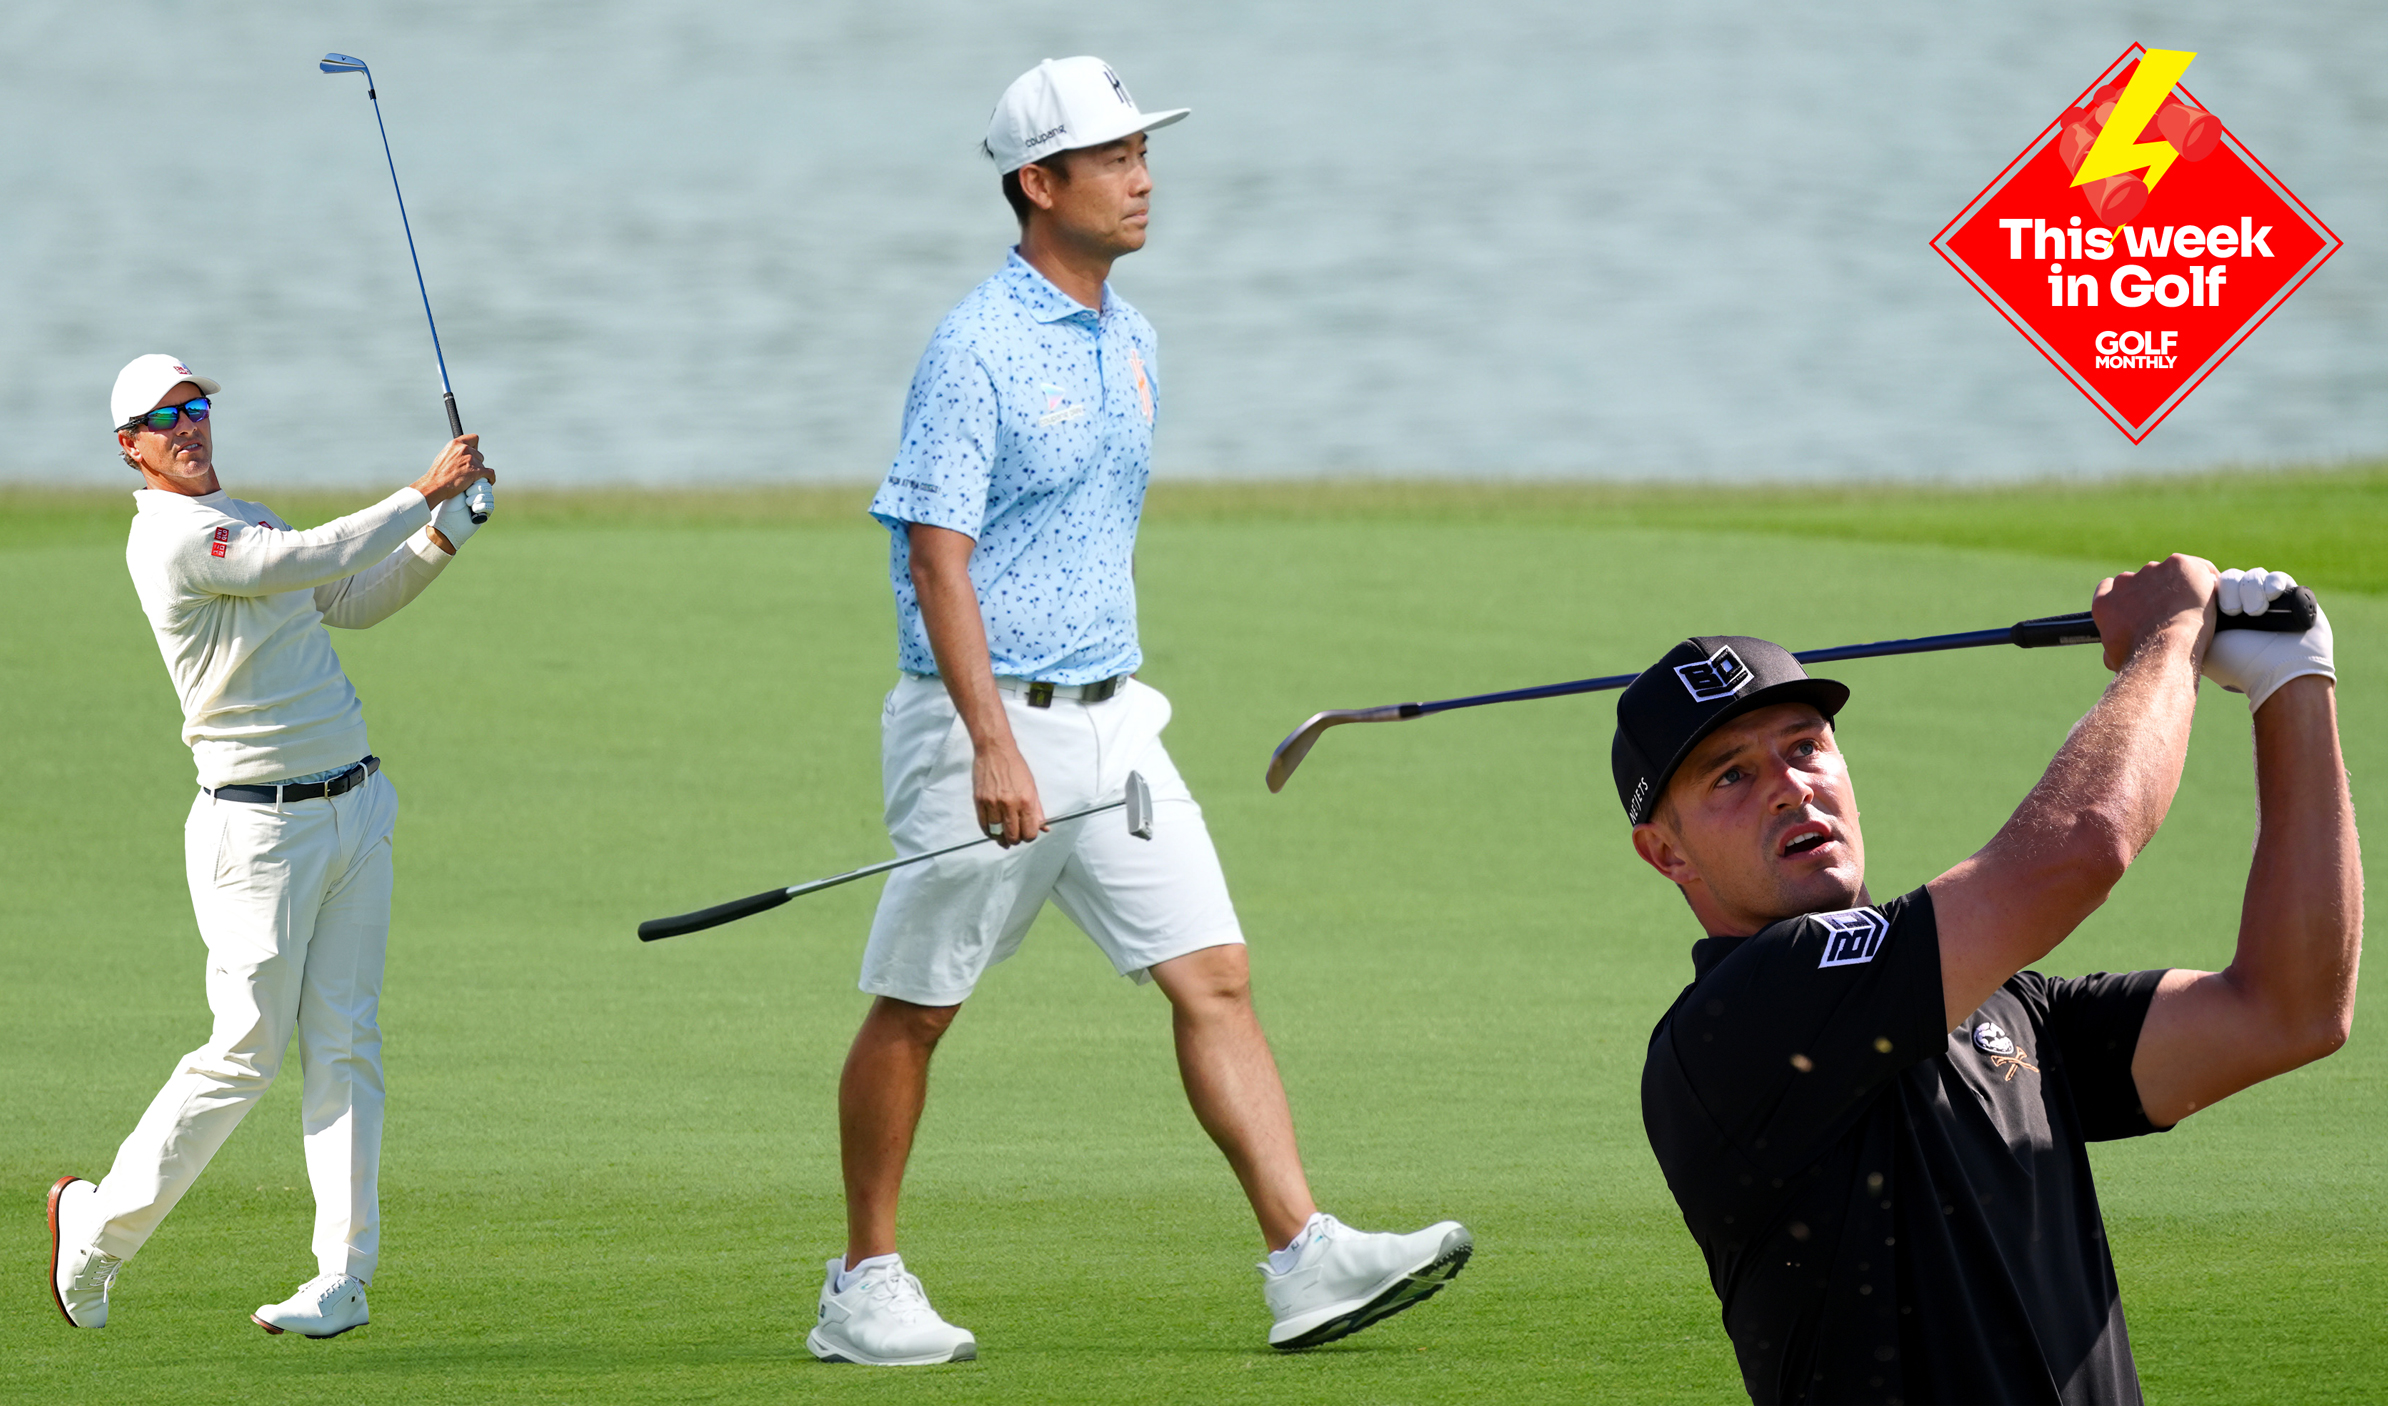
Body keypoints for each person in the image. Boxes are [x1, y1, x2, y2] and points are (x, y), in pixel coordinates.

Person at [810, 57, 1470, 1366]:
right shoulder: (977, 345)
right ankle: (862, 1281)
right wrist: (993, 739)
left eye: (1142, 152)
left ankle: (1303, 1254)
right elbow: (935, 557)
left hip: (1118, 723)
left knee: (1212, 974)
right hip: (981, 726)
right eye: (1111, 158)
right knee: (918, 1004)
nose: (1142, 177)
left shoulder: (1132, 332)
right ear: (1037, 184)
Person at [1624, 556, 2358, 1405]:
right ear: (1667, 852)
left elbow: (2289, 1011)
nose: (1793, 788)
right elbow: (2080, 850)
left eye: (1806, 747)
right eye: (1731, 775)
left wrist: (2294, 682)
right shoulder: (1735, 1026)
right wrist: (2170, 636)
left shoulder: (2008, 1005)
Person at [47, 354, 496, 1339]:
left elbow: (348, 598)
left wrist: (444, 533)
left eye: (198, 406)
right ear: (131, 446)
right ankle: (94, 1233)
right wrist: (422, 488)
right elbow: (300, 562)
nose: (189, 425)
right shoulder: (176, 541)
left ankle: (342, 1275)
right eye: (165, 417)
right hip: (256, 830)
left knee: (347, 1043)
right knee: (244, 1053)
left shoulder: (245, 511)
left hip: (356, 807)